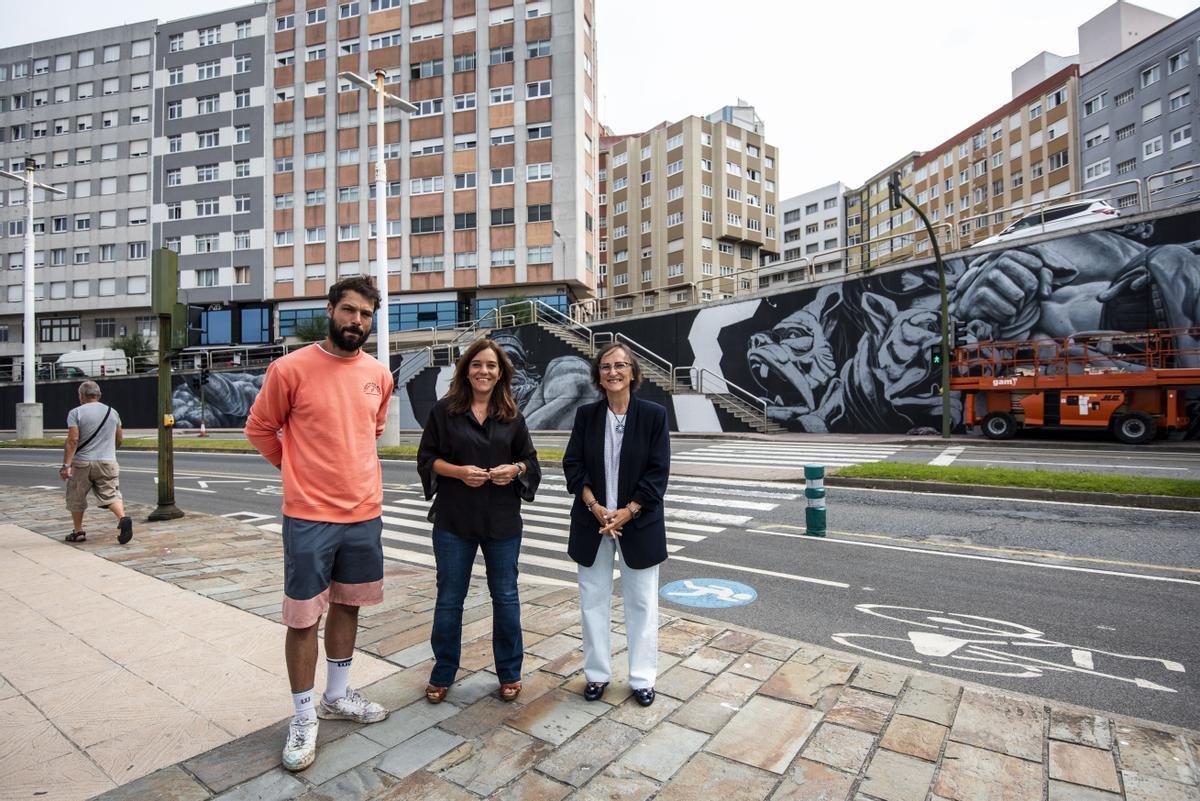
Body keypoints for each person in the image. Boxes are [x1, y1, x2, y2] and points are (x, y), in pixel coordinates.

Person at [244, 276, 395, 773]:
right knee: (303, 617)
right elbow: (261, 429)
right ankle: (304, 715)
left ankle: (336, 696)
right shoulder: (290, 369)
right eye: (349, 311)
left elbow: (368, 432)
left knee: (349, 606)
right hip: (309, 516)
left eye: (366, 315)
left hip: (363, 513)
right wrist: (294, 471)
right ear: (330, 309)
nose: (357, 322)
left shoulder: (379, 373)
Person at [417, 337, 539, 705]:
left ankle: (509, 672)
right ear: (465, 370)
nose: (483, 371)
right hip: (455, 521)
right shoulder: (444, 412)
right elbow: (426, 459)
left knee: (505, 597)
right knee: (450, 599)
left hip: (502, 522)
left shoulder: (513, 414)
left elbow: (531, 462)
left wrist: (514, 469)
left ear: (500, 373)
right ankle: (443, 672)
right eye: (477, 365)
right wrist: (457, 472)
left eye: (491, 365)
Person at [563, 344, 670, 707]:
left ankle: (642, 678)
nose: (613, 372)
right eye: (606, 366)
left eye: (620, 365)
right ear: (599, 375)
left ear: (632, 372)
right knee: (592, 601)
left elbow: (658, 473)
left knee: (641, 603)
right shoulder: (586, 416)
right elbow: (573, 466)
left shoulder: (654, 416)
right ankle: (597, 675)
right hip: (593, 522)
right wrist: (595, 507)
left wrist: (628, 511)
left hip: (638, 523)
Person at [60, 380, 132, 545]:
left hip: (82, 463)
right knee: (111, 493)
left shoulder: (75, 412)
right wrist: (109, 450)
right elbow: (119, 438)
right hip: (107, 461)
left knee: (76, 496)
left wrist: (66, 465)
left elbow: (73, 440)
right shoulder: (113, 412)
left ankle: (78, 531)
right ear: (98, 395)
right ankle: (123, 518)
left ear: (81, 396)